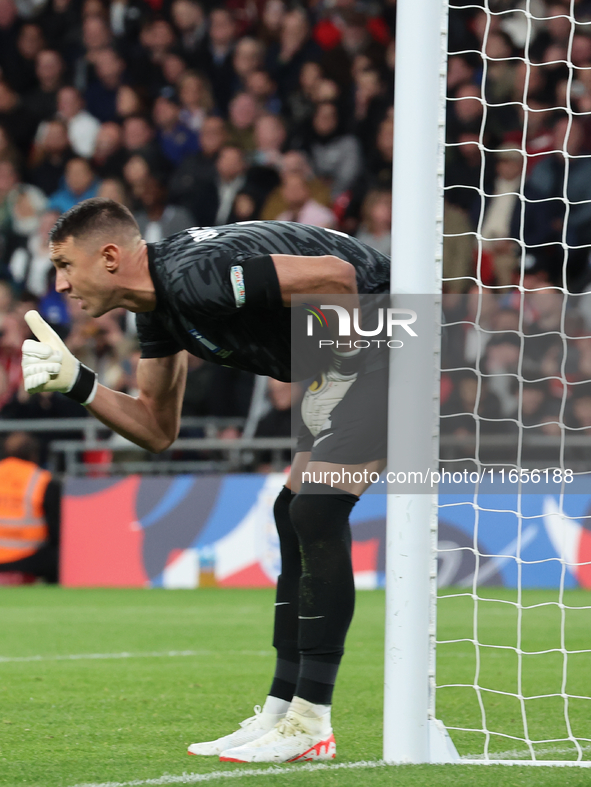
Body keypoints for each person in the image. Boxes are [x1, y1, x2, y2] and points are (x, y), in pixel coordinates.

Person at [21, 197, 390, 764]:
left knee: (315, 510)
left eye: (66, 265)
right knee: (290, 514)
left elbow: (337, 277)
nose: (62, 284)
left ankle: (311, 721)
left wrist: (337, 368)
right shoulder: (158, 311)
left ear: (111, 256)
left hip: (393, 328)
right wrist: (79, 383)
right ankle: (282, 709)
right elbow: (156, 430)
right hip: (354, 346)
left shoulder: (199, 276)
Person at [0, 431, 61, 584]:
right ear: (34, 454)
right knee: (61, 556)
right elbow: (56, 528)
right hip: (28, 557)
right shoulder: (42, 480)